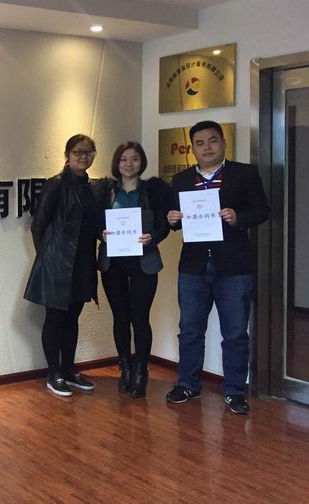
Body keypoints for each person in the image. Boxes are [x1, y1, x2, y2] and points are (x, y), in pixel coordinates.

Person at [165, 120, 270, 414]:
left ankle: (235, 390)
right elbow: (177, 219)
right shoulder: (182, 180)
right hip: (193, 266)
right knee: (189, 330)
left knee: (235, 333)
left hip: (234, 266)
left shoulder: (244, 174)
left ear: (223, 143)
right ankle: (188, 384)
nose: (207, 147)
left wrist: (239, 218)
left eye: (212, 141)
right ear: (192, 149)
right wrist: (172, 220)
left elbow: (262, 210)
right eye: (200, 143)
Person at [24, 134, 103, 397]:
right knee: (55, 320)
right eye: (78, 152)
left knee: (72, 319)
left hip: (83, 263)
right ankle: (54, 373)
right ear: (67, 155)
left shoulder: (92, 188)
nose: (84, 156)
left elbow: (93, 225)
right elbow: (38, 226)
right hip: (57, 265)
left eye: (89, 152)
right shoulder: (55, 184)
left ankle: (69, 370)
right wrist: (48, 259)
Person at [99, 142, 171, 398]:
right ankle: (125, 369)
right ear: (116, 163)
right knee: (120, 317)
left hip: (144, 262)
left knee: (140, 318)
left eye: (135, 159)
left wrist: (153, 237)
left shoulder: (153, 191)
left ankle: (141, 371)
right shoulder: (105, 192)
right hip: (113, 263)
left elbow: (164, 225)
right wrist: (100, 234)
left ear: (142, 163)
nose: (129, 164)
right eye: (123, 159)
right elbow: (94, 222)